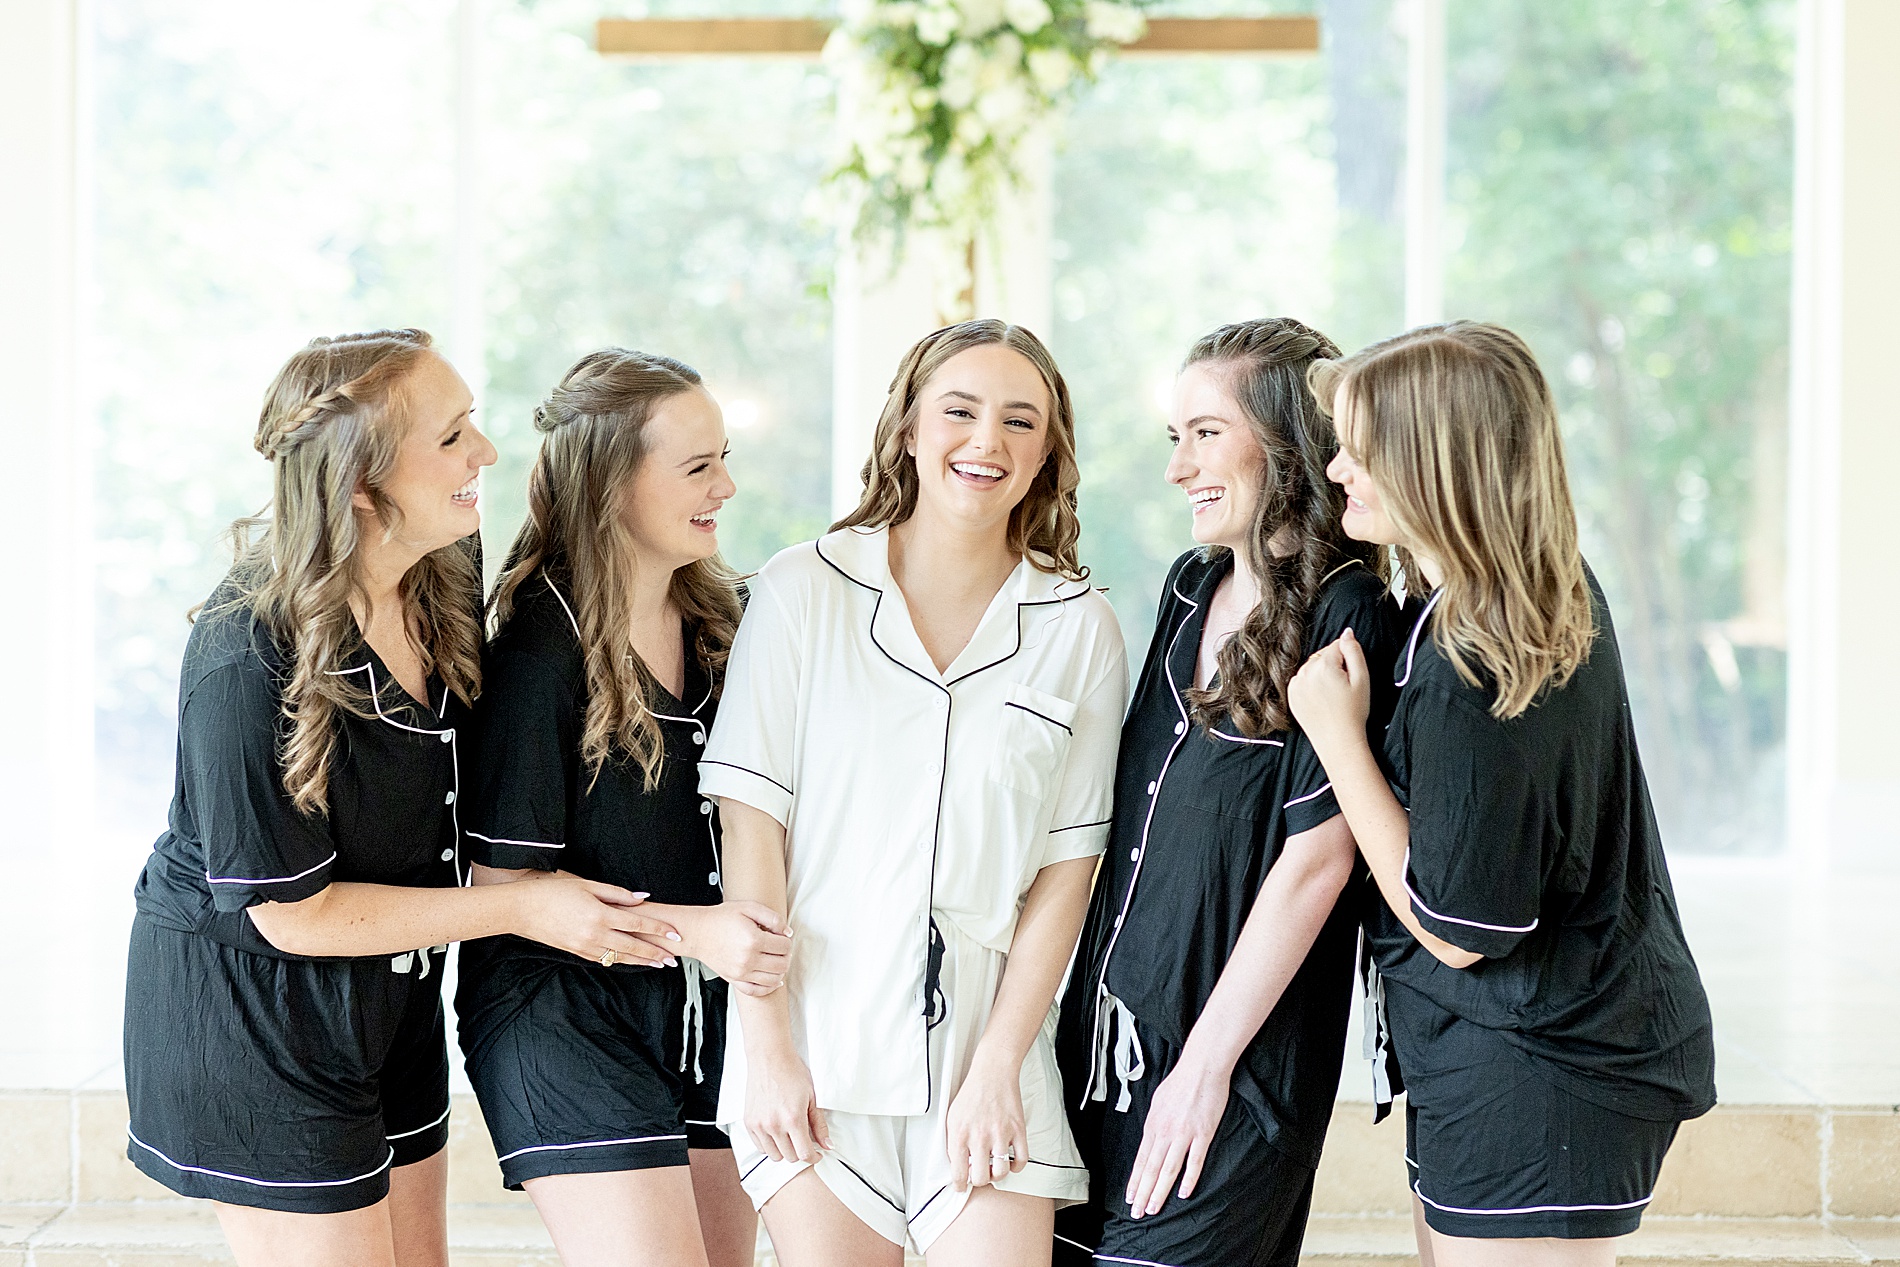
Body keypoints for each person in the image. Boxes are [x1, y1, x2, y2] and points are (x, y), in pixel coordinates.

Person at [123, 329, 681, 1267]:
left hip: (395, 999)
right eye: (454, 435)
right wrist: (523, 905)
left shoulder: (441, 575)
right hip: (258, 1017)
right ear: (361, 482)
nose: (489, 455)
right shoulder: (243, 657)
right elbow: (290, 917)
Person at [699, 319, 1128, 1266]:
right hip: (815, 1044)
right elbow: (752, 826)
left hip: (988, 1056)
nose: (988, 442)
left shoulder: (1079, 626)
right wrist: (766, 1046)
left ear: (1049, 453)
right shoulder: (802, 589)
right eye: (960, 412)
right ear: (907, 428)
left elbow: (1068, 870)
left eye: (1021, 421)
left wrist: (1000, 1067)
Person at [1288, 322, 1717, 1267]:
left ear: (1431, 462)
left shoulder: (1472, 657)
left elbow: (1459, 926)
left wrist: (1335, 736)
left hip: (1545, 1072)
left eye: (1362, 446)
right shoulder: (1535, 592)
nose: (1338, 467)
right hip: (1525, 1058)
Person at [1052, 318, 1410, 1267]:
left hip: (1230, 1074)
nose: (1180, 468)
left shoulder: (1351, 611)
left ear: (1288, 440)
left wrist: (1202, 1071)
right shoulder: (1189, 584)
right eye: (1178, 437)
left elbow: (1320, 860)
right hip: (1100, 1053)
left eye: (1205, 433)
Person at [456, 348, 793, 1267]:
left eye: (724, 457)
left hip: (698, 1009)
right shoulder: (541, 651)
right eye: (697, 466)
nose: (726, 484)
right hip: (561, 1011)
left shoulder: (723, 625)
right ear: (610, 484)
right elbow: (507, 884)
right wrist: (704, 934)